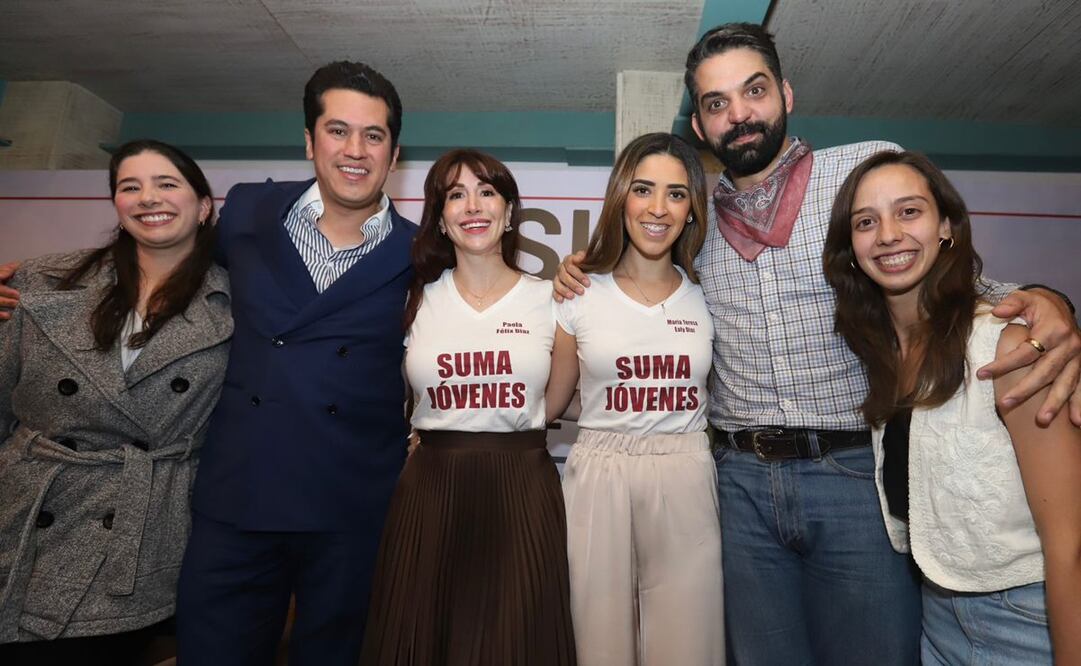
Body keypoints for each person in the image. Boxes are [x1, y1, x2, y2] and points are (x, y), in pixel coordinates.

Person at [554, 22, 1081, 665]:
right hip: (739, 483)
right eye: (717, 103)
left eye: (754, 91)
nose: (739, 114)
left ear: (786, 94)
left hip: (855, 476)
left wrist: (1050, 302)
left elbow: (959, 282)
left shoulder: (859, 177)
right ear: (701, 126)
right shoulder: (692, 225)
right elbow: (637, 278)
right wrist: (579, 268)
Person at [167, 61, 416, 665]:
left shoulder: (423, 248)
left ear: (394, 151)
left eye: (373, 135)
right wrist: (58, 277)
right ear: (309, 141)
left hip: (351, 505)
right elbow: (162, 258)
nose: (355, 150)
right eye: (338, 130)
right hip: (240, 496)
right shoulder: (249, 212)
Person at [823, 150, 1081, 665]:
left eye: (909, 211)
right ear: (851, 247)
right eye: (866, 222)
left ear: (946, 227)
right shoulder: (881, 353)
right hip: (938, 619)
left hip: (1029, 621)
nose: (889, 234)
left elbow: (1070, 548)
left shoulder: (1007, 347)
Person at [0, 140, 230, 665]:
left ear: (203, 206)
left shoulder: (235, 304)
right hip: (24, 509)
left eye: (167, 184)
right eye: (131, 187)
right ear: (118, 208)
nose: (148, 198)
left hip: (141, 525)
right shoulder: (39, 282)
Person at [360, 149, 576, 666]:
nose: (472, 206)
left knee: (517, 636)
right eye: (455, 195)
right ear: (439, 217)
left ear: (508, 211)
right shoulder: (413, 301)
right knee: (420, 634)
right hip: (432, 487)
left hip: (522, 483)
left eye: (486, 192)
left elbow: (555, 403)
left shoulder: (555, 299)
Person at [546, 132, 721, 666]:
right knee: (596, 643)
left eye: (675, 193)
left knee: (689, 644)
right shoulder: (577, 293)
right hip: (600, 470)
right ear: (621, 197)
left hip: (686, 469)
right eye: (643, 189)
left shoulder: (708, 291)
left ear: (692, 208)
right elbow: (549, 404)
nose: (658, 208)